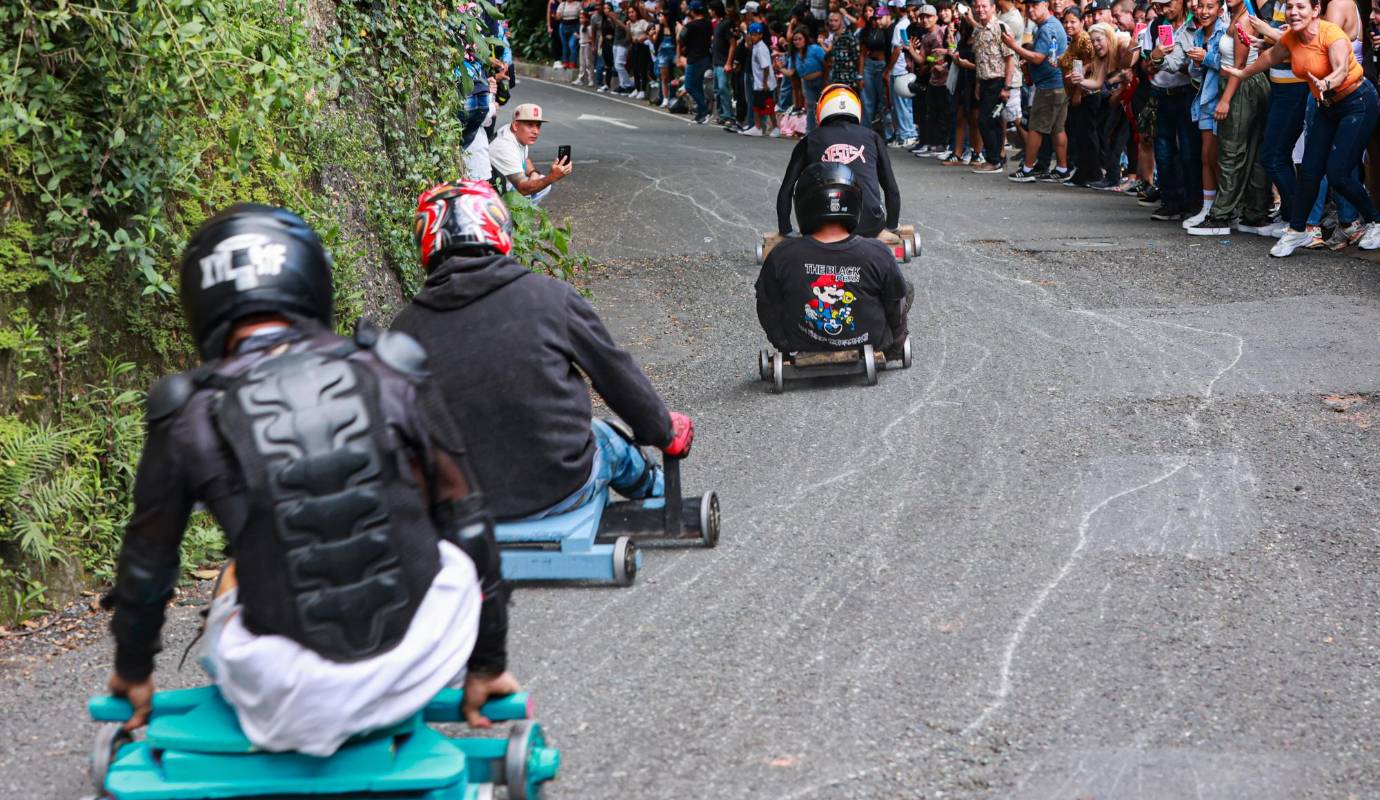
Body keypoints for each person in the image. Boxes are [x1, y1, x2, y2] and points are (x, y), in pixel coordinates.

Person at [103, 203, 517, 755]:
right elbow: (467, 520)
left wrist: (133, 672)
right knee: (452, 546)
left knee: (232, 581)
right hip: (419, 662)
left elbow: (148, 563)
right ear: (311, 280)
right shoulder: (390, 367)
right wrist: (487, 663)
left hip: (291, 700)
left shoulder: (187, 410)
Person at [392, 181, 694, 522]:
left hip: (460, 505)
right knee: (610, 440)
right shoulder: (550, 298)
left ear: (426, 244)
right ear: (499, 229)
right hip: (560, 485)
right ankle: (664, 504)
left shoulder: (404, 331)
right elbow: (616, 376)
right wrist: (663, 431)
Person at [1222, 0, 1380, 255]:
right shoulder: (1291, 38)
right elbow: (1269, 57)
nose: (1293, 12)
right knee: (1309, 171)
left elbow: (1340, 68)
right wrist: (1242, 74)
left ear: (1315, 10)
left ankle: (1376, 221)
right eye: (1290, 7)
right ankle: (1298, 231)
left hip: (1357, 102)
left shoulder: (1331, 33)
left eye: (1301, 7)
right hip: (1326, 106)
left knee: (1338, 173)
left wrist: (1327, 82)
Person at [756, 163, 911, 359]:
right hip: (869, 343)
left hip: (803, 344)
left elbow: (767, 306)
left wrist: (784, 344)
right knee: (903, 290)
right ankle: (891, 348)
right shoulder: (878, 252)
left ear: (803, 204)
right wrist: (896, 344)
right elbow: (895, 305)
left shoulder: (782, 254)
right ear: (855, 202)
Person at [776, 84, 903, 237]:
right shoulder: (872, 137)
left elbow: (786, 189)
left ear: (821, 109)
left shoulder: (810, 140)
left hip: (820, 226)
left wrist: (786, 230)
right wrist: (891, 226)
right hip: (869, 226)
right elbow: (891, 188)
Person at [1005, 0, 1072, 181]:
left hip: (1049, 87)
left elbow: (1038, 58)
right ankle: (1062, 168)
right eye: (1028, 6)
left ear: (1045, 5)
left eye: (1035, 5)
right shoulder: (1051, 25)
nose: (1031, 10)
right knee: (1057, 129)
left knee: (1036, 129)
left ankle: (1027, 170)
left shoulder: (1048, 28)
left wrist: (1013, 46)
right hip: (1058, 85)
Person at [488, 103, 572, 205]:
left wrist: (533, 172)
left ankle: (523, 210)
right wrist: (552, 177)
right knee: (536, 187)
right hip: (493, 198)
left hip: (504, 186)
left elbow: (525, 160)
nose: (536, 131)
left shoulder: (515, 134)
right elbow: (523, 188)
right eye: (530, 125)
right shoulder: (505, 146)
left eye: (538, 125)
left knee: (540, 181)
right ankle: (516, 213)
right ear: (515, 125)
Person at [887, 0, 921, 148]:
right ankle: (904, 134)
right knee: (904, 106)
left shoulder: (901, 26)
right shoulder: (907, 25)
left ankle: (908, 134)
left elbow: (897, 49)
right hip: (906, 68)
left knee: (902, 106)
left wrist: (889, 69)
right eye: (909, 11)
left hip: (900, 70)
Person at [742, 22, 780, 135]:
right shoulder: (756, 46)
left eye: (756, 34)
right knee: (757, 106)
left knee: (768, 105)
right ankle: (758, 127)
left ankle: (773, 128)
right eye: (752, 34)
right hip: (759, 82)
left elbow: (766, 67)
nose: (753, 36)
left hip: (764, 83)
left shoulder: (761, 48)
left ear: (761, 35)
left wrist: (764, 83)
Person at [680, 0, 715, 123]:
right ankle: (701, 114)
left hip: (693, 59)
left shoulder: (690, 26)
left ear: (692, 11)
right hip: (705, 58)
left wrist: (680, 29)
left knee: (689, 86)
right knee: (698, 85)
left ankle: (704, 110)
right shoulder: (708, 24)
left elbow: (681, 39)